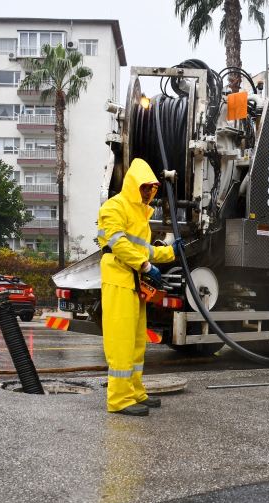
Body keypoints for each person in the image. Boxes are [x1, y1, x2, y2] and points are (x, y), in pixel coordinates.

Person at [96, 158, 182, 416]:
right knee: (120, 342)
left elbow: (144, 249)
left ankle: (134, 392)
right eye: (145, 187)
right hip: (118, 281)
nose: (148, 193)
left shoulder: (139, 215)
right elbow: (119, 244)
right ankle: (119, 400)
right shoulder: (115, 207)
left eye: (151, 188)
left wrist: (170, 253)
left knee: (135, 344)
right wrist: (145, 267)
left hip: (132, 284)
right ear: (133, 185)